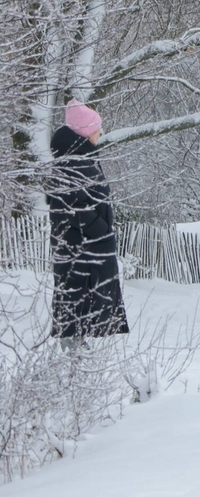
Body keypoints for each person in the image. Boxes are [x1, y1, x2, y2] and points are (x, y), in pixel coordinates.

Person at [47, 99, 130, 351]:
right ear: (84, 132)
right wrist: (100, 231)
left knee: (82, 294)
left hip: (86, 244)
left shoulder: (82, 157)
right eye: (96, 129)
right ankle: (72, 349)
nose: (100, 133)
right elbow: (72, 207)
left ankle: (78, 345)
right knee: (76, 292)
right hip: (80, 246)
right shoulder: (72, 162)